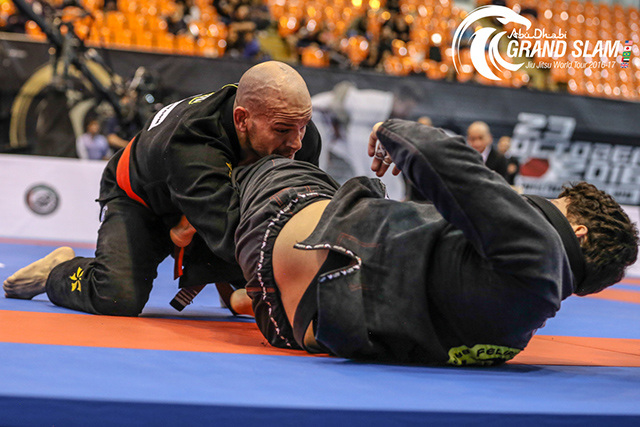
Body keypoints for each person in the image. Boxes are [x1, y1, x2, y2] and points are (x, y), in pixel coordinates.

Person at [229, 119, 638, 364]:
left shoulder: (539, 247)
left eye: (558, 203)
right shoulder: (517, 335)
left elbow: (443, 158)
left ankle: (200, 236)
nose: (543, 204)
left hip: (281, 230)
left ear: (578, 230)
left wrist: (390, 132)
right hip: (292, 325)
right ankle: (244, 290)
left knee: (259, 157)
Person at [4, 61, 322, 317]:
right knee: (116, 298)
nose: (296, 143)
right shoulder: (193, 142)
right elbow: (232, 234)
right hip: (142, 199)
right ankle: (57, 271)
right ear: (241, 119)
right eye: (282, 130)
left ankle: (224, 270)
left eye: (302, 126)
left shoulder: (296, 130)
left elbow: (295, 206)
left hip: (211, 201)